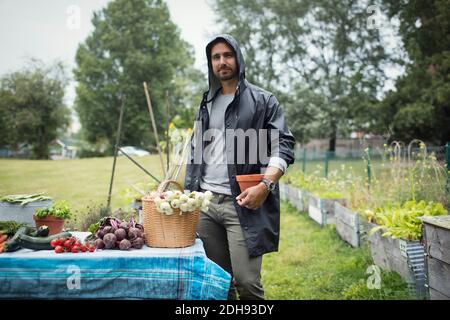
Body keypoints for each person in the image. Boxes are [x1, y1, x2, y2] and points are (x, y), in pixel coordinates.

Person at [184, 34, 295, 300]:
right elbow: (198, 151)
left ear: (238, 58)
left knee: (246, 281)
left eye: (227, 55)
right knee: (219, 282)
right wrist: (189, 193)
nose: (222, 62)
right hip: (207, 205)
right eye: (216, 57)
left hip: (243, 204)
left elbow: (283, 145)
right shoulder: (206, 102)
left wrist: (265, 185)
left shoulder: (263, 100)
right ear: (211, 63)